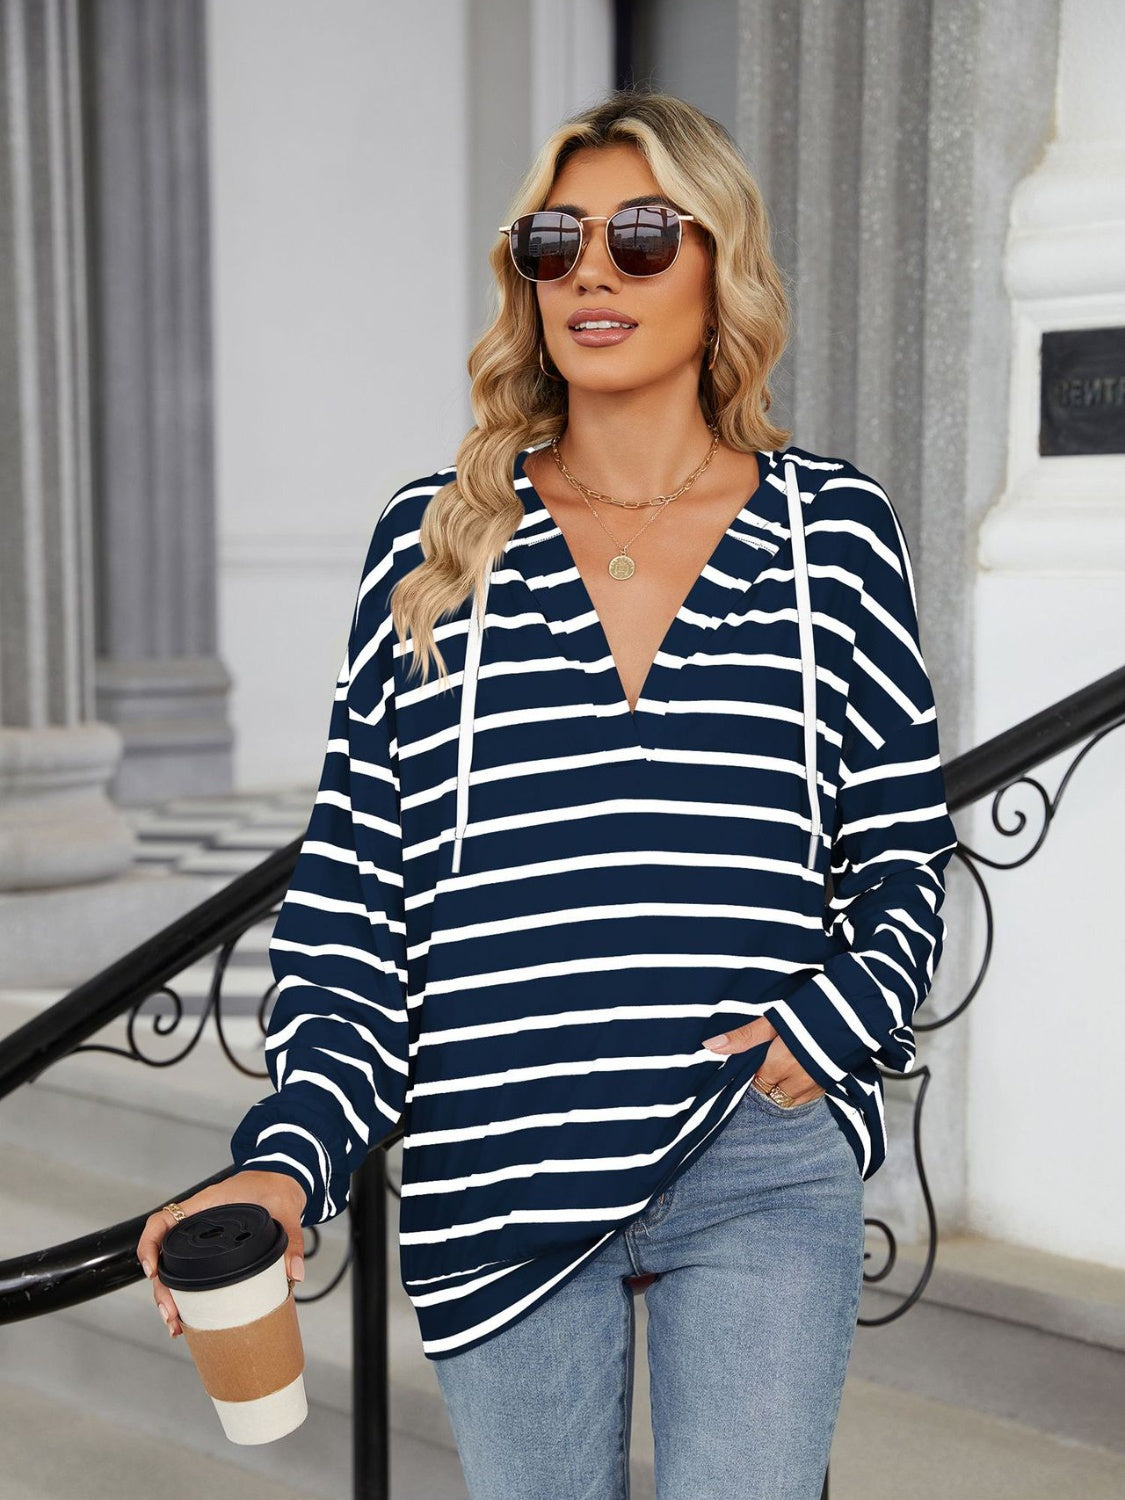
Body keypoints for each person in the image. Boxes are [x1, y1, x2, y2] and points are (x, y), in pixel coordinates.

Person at [136, 89, 957, 1499]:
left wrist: (830, 1027)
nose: (591, 272)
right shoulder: (433, 544)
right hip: (496, 1164)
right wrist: (289, 1155)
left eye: (641, 236)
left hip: (752, 1154)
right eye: (553, 241)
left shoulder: (829, 533)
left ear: (720, 265)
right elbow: (354, 905)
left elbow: (900, 855)